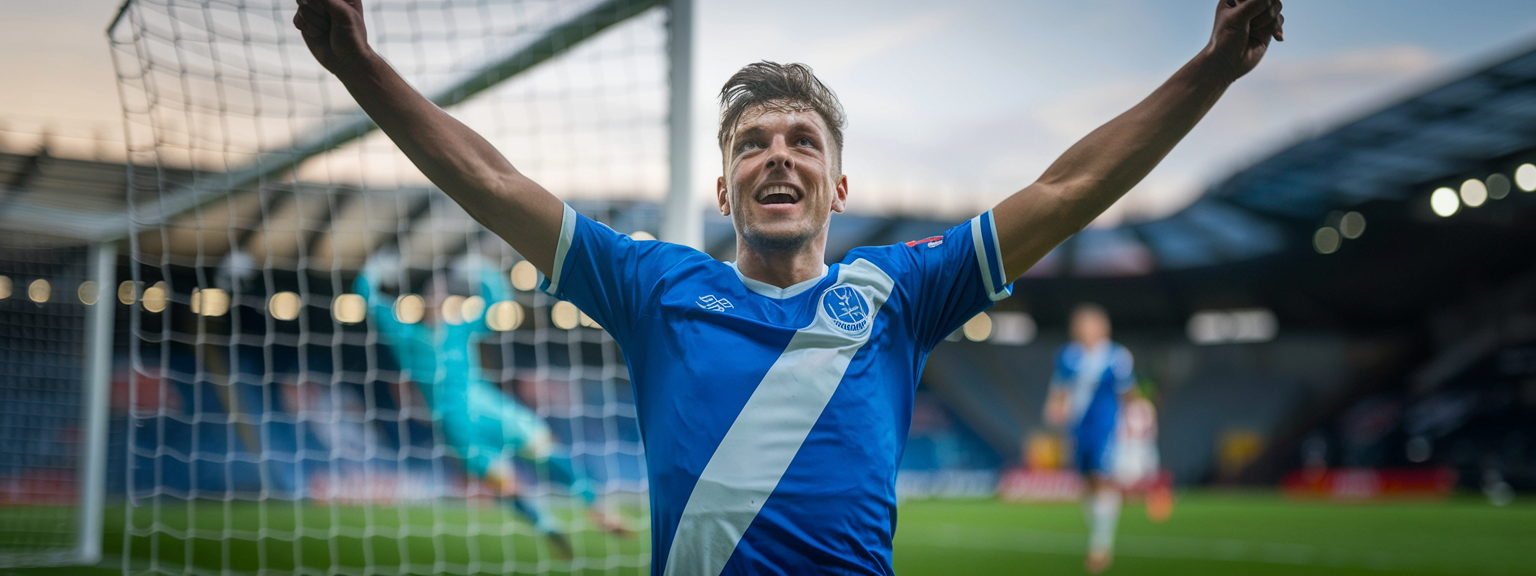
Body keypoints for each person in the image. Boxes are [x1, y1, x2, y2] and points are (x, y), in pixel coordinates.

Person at [293, 0, 1283, 572]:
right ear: (723, 186)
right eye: (753, 145)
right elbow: (498, 184)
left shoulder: (902, 290)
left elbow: (1066, 190)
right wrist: (360, 66)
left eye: (803, 142)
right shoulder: (652, 285)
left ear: (838, 184)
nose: (779, 157)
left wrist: (1210, 72)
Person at [354, 254, 626, 555]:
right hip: (455, 421)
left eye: (443, 296)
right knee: (503, 482)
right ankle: (544, 523)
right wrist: (375, 271)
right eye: (434, 296)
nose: (439, 302)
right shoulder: (407, 336)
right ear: (424, 304)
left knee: (543, 446)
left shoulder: (459, 331)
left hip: (486, 405)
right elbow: (368, 299)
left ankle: (596, 507)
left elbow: (496, 300)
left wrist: (480, 270)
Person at [1044, 304, 1135, 573]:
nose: (1085, 329)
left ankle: (1100, 546)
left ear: (1103, 327)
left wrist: (1134, 423)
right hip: (1078, 430)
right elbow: (1060, 391)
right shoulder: (1067, 356)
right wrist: (1056, 411)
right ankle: (1098, 536)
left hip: (1105, 428)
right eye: (1081, 324)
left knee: (1101, 478)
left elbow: (1128, 393)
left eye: (1090, 323)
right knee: (1086, 484)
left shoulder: (1116, 356)